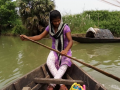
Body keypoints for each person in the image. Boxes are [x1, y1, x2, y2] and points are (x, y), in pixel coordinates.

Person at [20, 10, 73, 90]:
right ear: (51, 21)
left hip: (65, 51)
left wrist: (66, 50)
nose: (57, 23)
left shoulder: (65, 27)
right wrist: (27, 38)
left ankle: (52, 85)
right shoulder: (49, 28)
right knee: (49, 62)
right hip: (55, 50)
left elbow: (70, 41)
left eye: (59, 20)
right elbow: (39, 37)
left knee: (64, 64)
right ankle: (61, 84)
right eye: (55, 21)